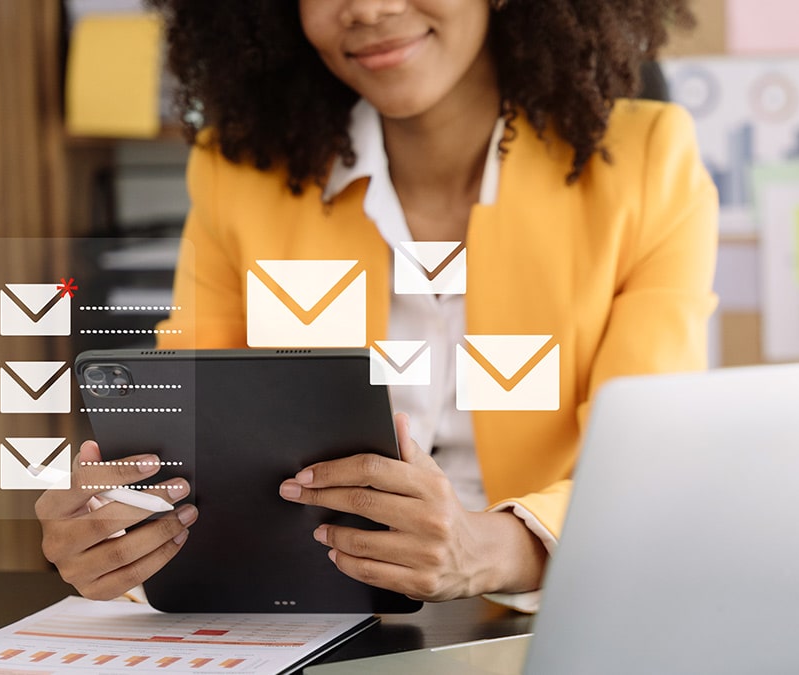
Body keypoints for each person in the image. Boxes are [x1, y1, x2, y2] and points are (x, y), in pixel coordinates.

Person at [37, 0, 717, 609]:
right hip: (314, 608)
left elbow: (650, 463)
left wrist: (489, 548)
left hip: (557, 611)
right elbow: (189, 445)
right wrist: (119, 528)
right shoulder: (238, 172)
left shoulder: (647, 164)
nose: (367, 8)